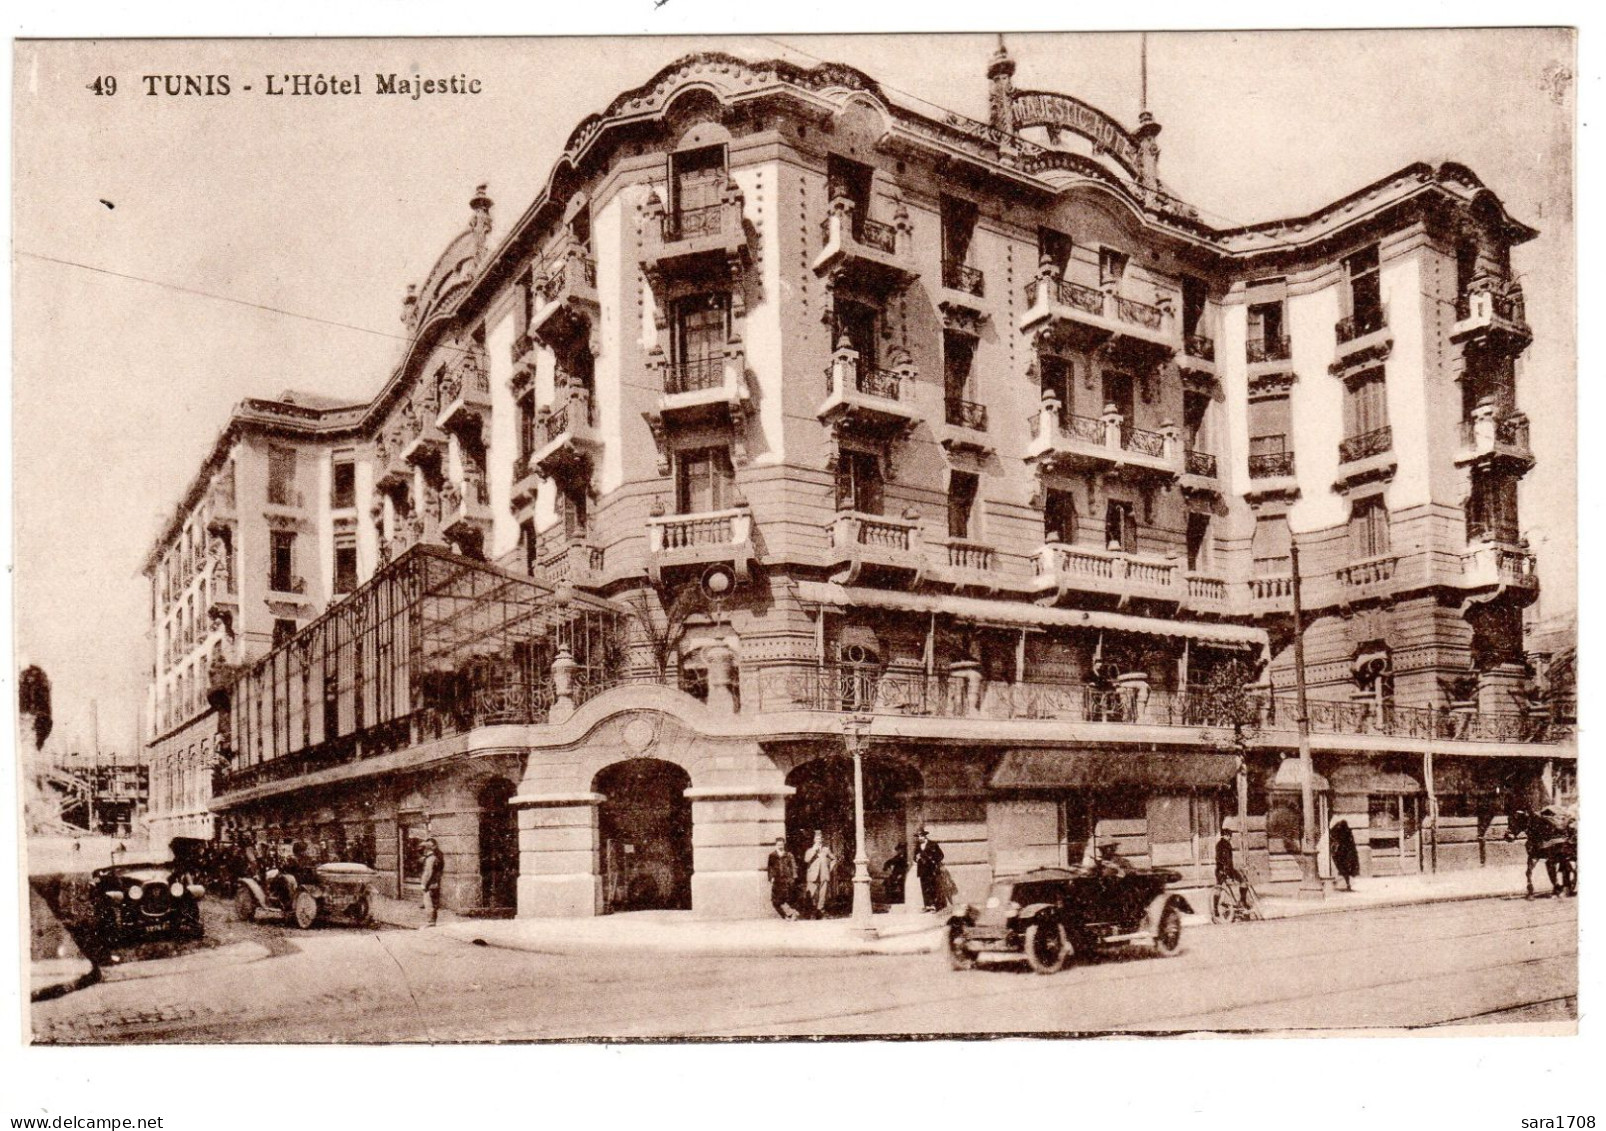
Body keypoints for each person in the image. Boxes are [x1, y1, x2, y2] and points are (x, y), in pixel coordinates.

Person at [804, 830, 836, 918]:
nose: (819, 840)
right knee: (813, 894)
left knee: (823, 894)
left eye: (820, 838)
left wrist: (829, 869)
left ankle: (820, 911)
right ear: (814, 840)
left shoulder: (826, 850)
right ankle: (813, 912)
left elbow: (834, 859)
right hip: (812, 875)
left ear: (822, 839)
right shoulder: (809, 850)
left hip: (824, 875)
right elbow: (806, 860)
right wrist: (814, 850)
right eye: (817, 838)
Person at [767, 837, 800, 919]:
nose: (780, 846)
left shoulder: (789, 855)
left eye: (781, 844)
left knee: (786, 898)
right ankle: (791, 912)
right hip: (777, 880)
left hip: (787, 880)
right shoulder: (772, 856)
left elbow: (793, 866)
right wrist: (771, 877)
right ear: (776, 845)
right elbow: (770, 868)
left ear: (784, 844)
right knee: (775, 900)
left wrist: (793, 877)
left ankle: (788, 915)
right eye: (778, 845)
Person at [914, 827, 945, 912]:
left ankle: (935, 906)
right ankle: (927, 906)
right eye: (918, 836)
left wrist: (933, 859)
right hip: (922, 870)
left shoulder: (933, 844)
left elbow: (941, 855)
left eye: (921, 836)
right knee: (924, 888)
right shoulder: (918, 845)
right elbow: (914, 857)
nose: (919, 838)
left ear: (925, 836)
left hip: (931, 869)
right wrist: (916, 858)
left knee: (933, 887)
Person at [1330, 818, 1359, 891]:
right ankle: (1347, 884)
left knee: (1342, 870)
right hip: (1346, 855)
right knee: (1345, 871)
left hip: (1341, 854)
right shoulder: (1348, 832)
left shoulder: (1337, 832)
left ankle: (1345, 884)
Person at [419, 837, 443, 926]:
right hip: (434, 883)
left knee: (428, 902)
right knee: (433, 902)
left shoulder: (430, 859)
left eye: (423, 849)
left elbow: (428, 872)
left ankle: (431, 921)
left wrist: (423, 884)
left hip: (430, 884)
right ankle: (432, 921)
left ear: (426, 849)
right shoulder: (434, 857)